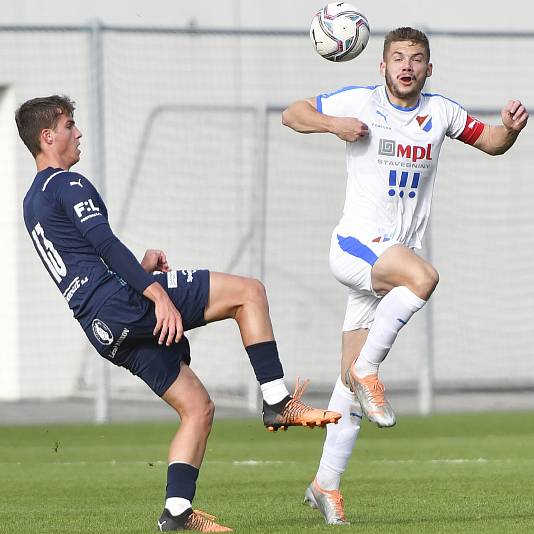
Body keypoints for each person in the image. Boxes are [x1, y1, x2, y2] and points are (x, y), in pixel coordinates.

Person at [17, 95, 341, 533]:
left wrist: (140, 269)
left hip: (100, 324)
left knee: (198, 408)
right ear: (47, 136)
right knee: (249, 293)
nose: (78, 133)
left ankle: (176, 511)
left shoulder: (31, 202)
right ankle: (277, 401)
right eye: (70, 125)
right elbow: (105, 244)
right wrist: (157, 295)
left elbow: (82, 260)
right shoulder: (68, 185)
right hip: (123, 305)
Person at [281, 27, 528, 524]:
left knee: (346, 387)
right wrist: (334, 125)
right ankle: (371, 370)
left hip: (391, 260)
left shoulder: (442, 112)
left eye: (416, 58)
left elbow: (494, 143)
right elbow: (293, 113)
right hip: (356, 246)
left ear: (428, 68)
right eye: (397, 58)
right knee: (425, 279)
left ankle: (325, 484)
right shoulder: (361, 102)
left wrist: (511, 128)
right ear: (383, 66)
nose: (406, 66)